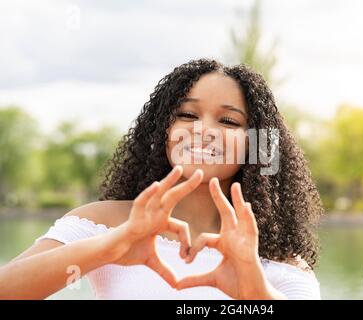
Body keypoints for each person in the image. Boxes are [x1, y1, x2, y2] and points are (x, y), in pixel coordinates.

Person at [0, 58, 323, 300]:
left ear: (256, 143)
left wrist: (254, 290)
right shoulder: (102, 221)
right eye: (187, 115)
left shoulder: (282, 265)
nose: (202, 130)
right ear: (163, 131)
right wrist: (110, 246)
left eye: (228, 120)